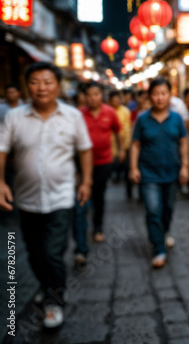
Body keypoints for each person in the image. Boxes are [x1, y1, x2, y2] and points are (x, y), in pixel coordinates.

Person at [0, 62, 92, 329]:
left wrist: (85, 181)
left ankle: (54, 301)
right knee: (34, 252)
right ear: (28, 86)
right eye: (35, 82)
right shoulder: (14, 118)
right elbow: (2, 150)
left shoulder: (72, 116)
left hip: (62, 197)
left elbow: (84, 150)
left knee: (53, 252)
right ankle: (45, 284)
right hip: (26, 199)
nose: (41, 87)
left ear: (57, 85)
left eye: (48, 81)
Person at [129, 77, 189, 268]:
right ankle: (158, 248)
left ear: (170, 95)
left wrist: (185, 166)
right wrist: (133, 168)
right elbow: (135, 145)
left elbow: (183, 143)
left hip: (171, 173)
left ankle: (162, 233)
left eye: (163, 93)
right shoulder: (142, 119)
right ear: (149, 96)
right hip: (148, 174)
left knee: (168, 209)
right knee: (153, 210)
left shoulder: (177, 118)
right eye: (155, 93)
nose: (159, 97)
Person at [74, 82, 123, 258]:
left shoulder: (109, 112)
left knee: (98, 195)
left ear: (101, 95)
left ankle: (97, 226)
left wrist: (121, 150)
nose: (92, 98)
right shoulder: (78, 114)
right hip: (81, 163)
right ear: (84, 97)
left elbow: (118, 131)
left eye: (96, 94)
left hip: (104, 161)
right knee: (81, 197)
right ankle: (81, 234)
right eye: (89, 94)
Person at [109, 91, 132, 187]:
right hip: (112, 143)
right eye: (113, 101)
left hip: (126, 142)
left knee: (126, 164)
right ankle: (117, 176)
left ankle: (125, 181)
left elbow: (129, 126)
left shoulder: (125, 111)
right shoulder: (109, 111)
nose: (115, 103)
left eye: (117, 100)